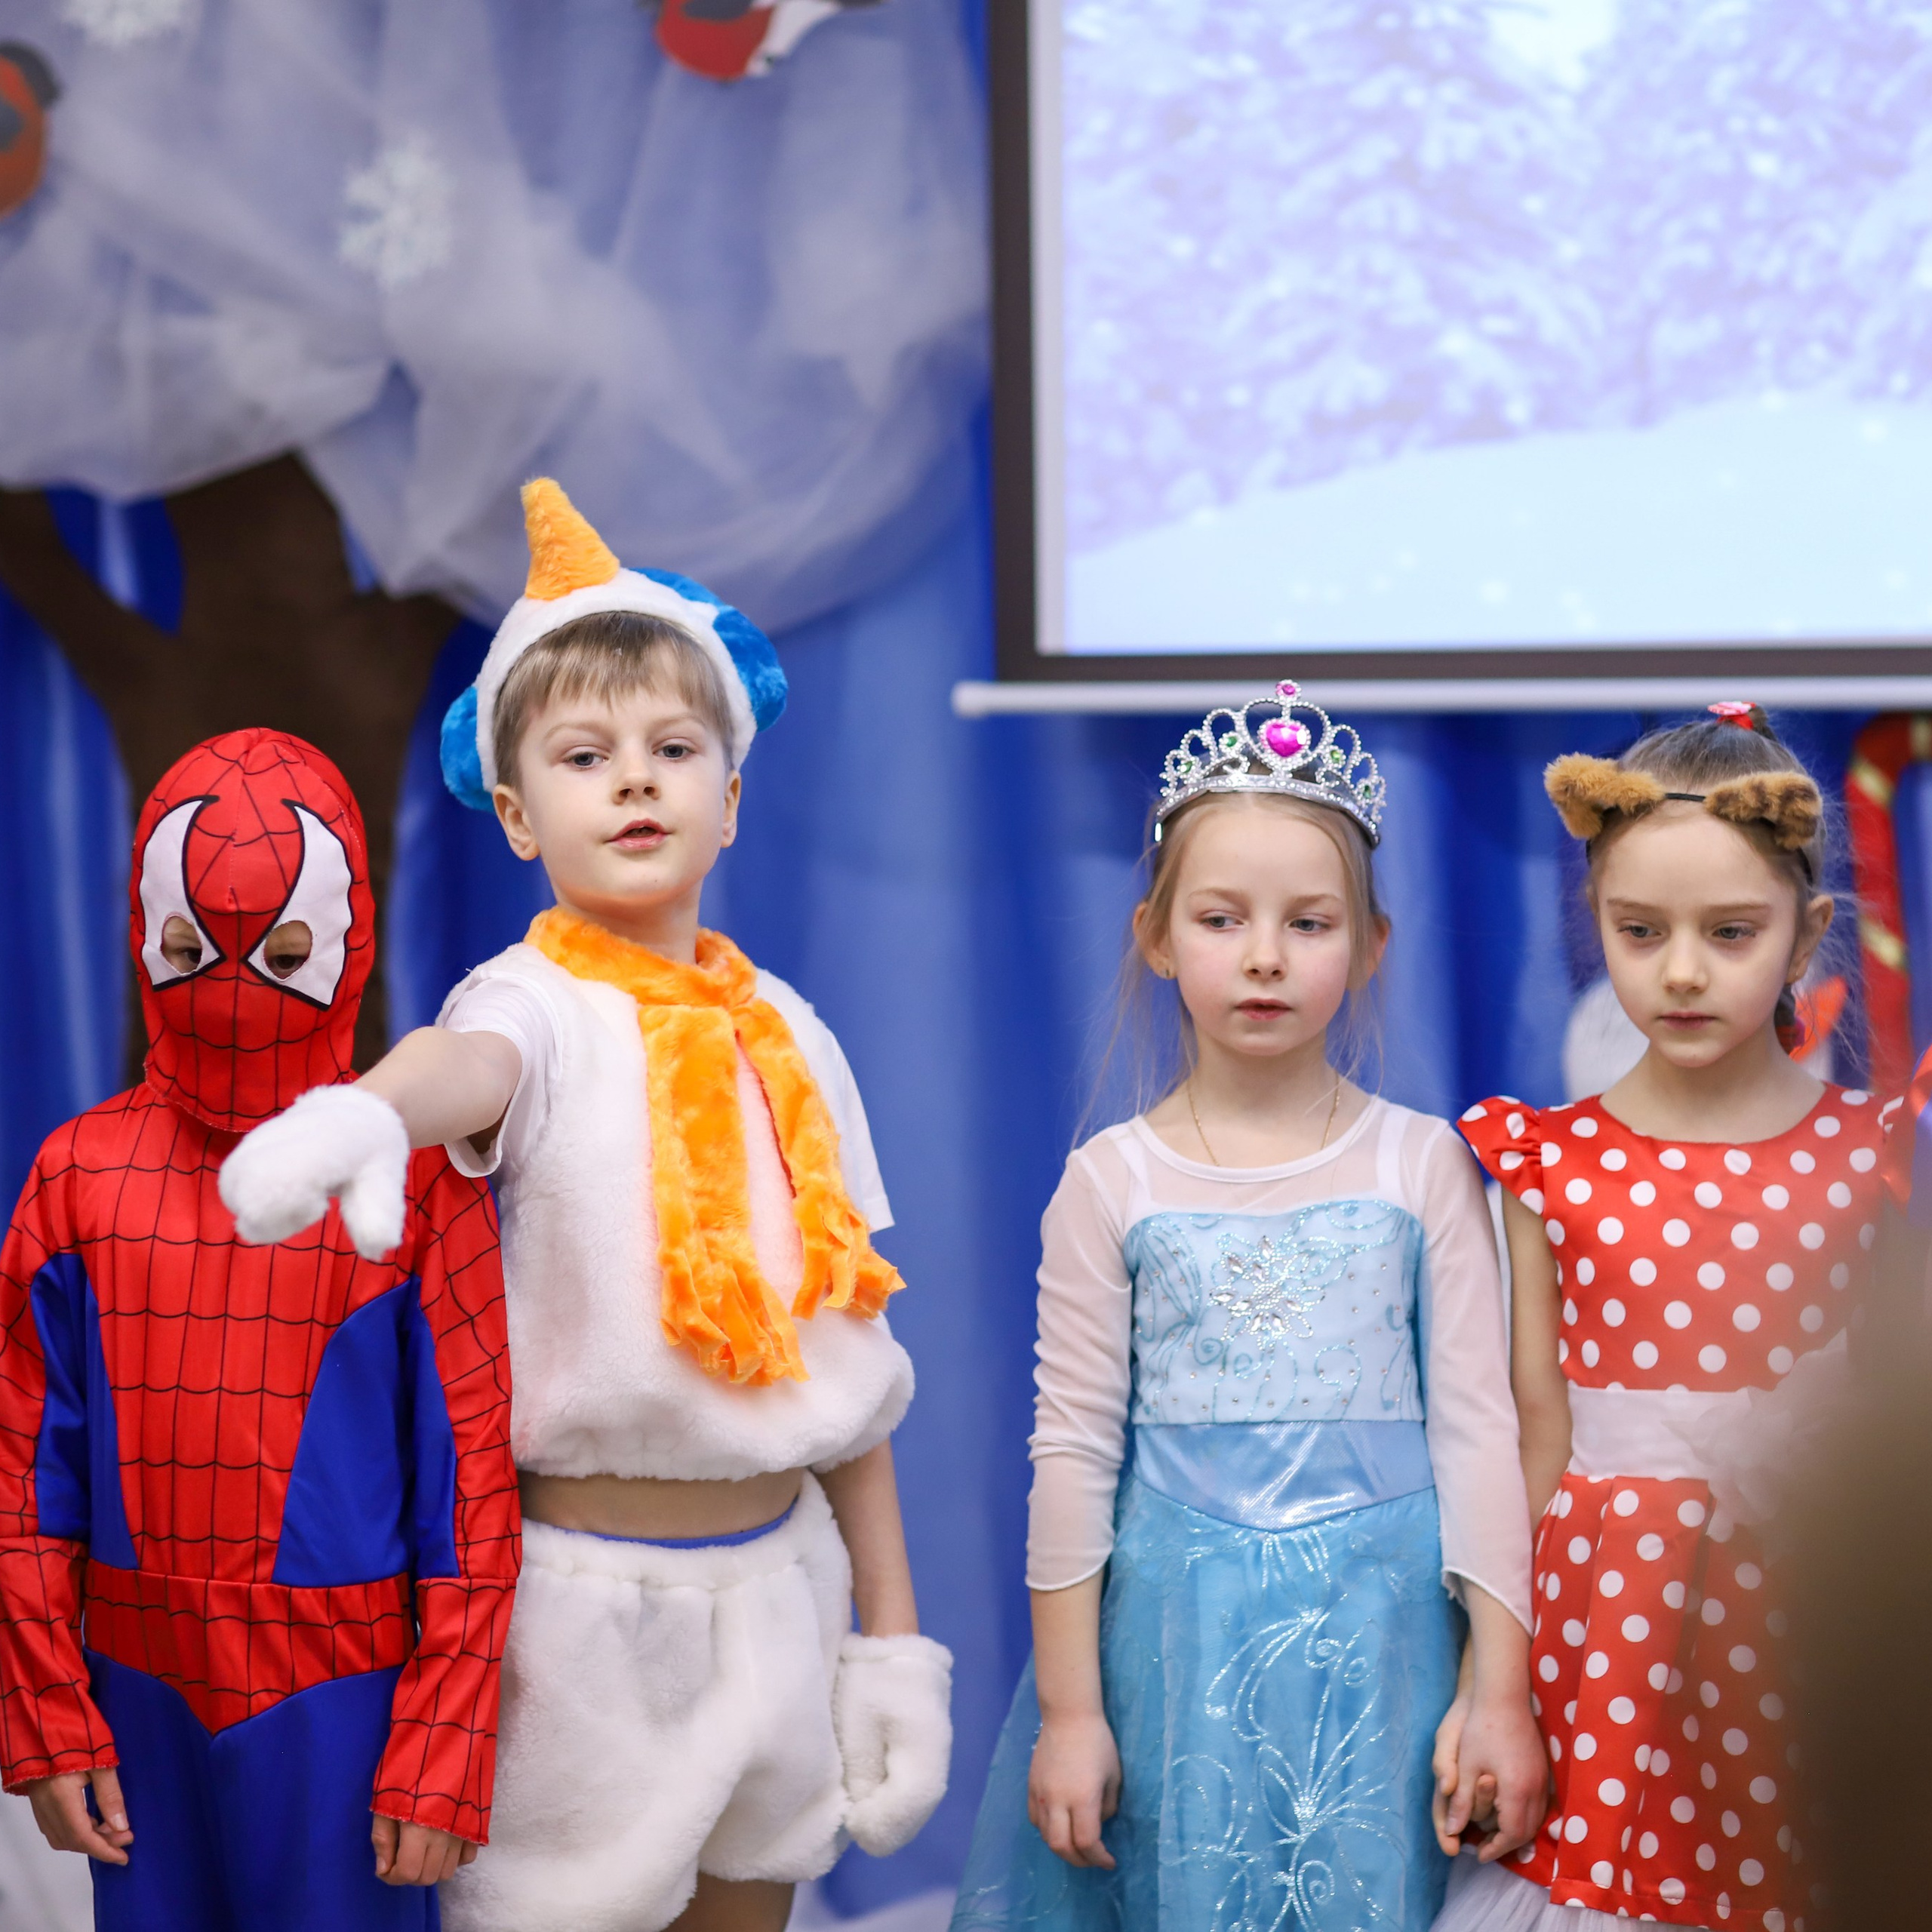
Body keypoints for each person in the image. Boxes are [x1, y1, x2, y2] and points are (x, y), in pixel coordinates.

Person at [218, 481, 951, 1932]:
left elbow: (853, 1368)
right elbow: (461, 1066)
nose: (635, 781)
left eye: (675, 750)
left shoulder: (792, 1038)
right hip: (581, 1619)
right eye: (586, 754)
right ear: (512, 812)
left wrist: (893, 1642)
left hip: (779, 1589)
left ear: (731, 799)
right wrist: (370, 1109)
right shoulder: (531, 1005)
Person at [950, 683, 1543, 1931]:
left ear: (1371, 944)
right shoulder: (1112, 1181)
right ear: (1158, 937)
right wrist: (1070, 1713)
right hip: (1177, 1657)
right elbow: (1069, 1453)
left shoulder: (1422, 1164)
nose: (1265, 955)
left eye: (1309, 922)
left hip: (1389, 1664)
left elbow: (1480, 1434)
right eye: (1223, 919)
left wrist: (1500, 1693)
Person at [0, 728, 519, 1931]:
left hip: (347, 1700)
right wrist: (46, 1710)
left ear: (345, 945)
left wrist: (446, 1734)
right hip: (136, 1700)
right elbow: (25, 1477)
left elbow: (472, 1485)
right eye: (190, 948)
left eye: (285, 953)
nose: (233, 986)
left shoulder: (416, 1176)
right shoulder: (78, 1177)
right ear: (144, 935)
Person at [1434, 702, 1887, 1932]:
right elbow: (1529, 1438)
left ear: (1808, 937)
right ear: (1599, 926)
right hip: (1608, 1640)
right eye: (1642, 932)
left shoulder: (1877, 1159)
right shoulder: (1548, 1165)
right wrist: (1495, 1692)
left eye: (1731, 932)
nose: (1682, 970)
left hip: (1811, 1632)